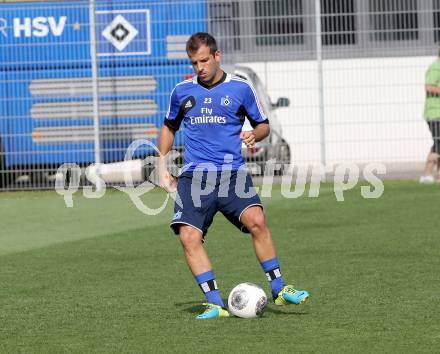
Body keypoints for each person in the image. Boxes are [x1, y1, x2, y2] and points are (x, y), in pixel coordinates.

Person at [158, 32, 309, 319]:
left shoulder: (241, 88)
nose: (199, 67)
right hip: (194, 177)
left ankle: (278, 288)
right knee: (189, 237)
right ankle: (215, 303)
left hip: (232, 175)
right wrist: (162, 168)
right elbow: (168, 127)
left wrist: (254, 134)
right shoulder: (182, 92)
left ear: (217, 56)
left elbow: (263, 125)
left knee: (257, 220)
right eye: (194, 63)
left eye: (204, 60)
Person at [420, 52, 440, 183]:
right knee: (438, 143)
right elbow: (428, 86)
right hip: (434, 114)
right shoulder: (435, 67)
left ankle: (437, 176)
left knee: (438, 144)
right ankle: (427, 174)